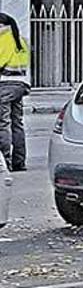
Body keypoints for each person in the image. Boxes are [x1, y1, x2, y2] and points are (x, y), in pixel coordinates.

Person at [0, 13, 30, 172]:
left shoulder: (3, 39)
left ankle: (6, 161)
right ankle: (20, 161)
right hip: (20, 84)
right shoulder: (22, 40)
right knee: (17, 123)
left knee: (3, 123)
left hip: (4, 85)